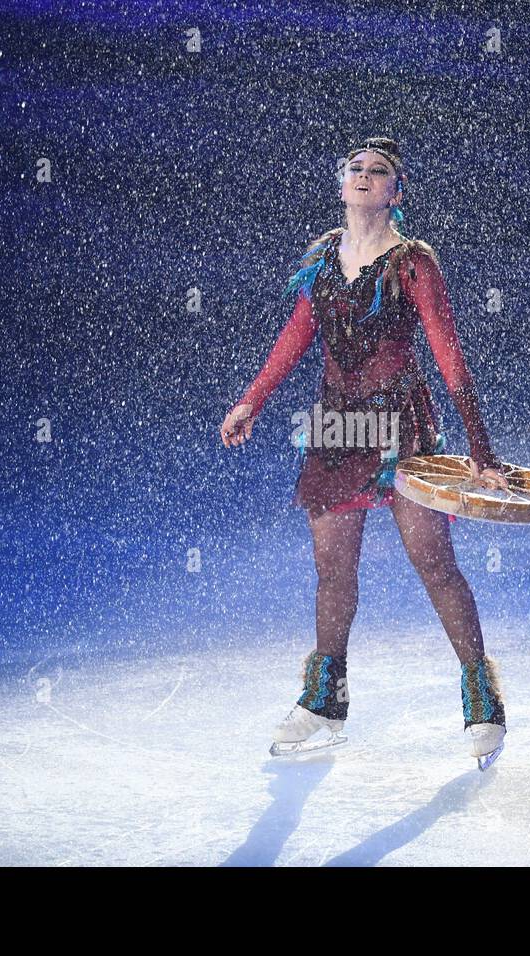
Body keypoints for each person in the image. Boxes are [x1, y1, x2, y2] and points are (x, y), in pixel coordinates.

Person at [220, 136, 508, 767]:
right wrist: (252, 400)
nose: (363, 176)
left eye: (378, 172)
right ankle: (325, 702)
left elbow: (447, 353)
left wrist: (479, 445)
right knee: (332, 571)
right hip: (334, 425)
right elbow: (295, 336)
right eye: (354, 167)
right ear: (342, 179)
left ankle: (483, 699)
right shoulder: (321, 256)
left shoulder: (413, 262)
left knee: (431, 562)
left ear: (395, 193)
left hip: (398, 423)